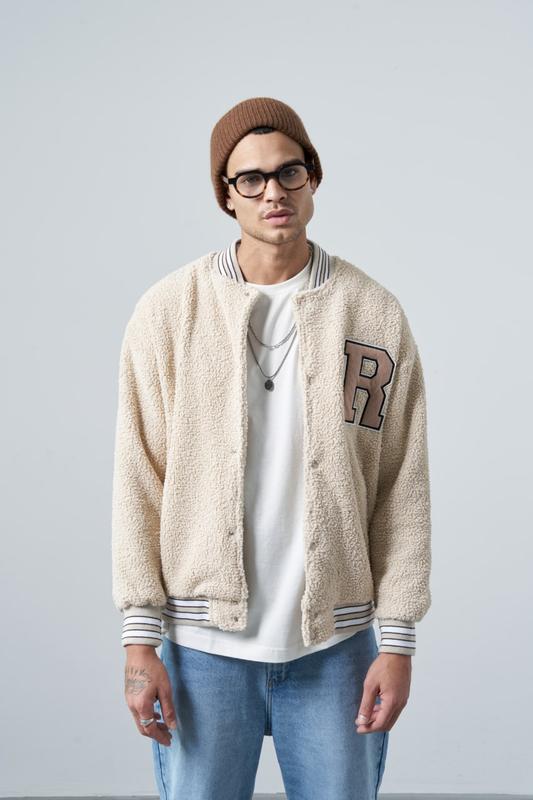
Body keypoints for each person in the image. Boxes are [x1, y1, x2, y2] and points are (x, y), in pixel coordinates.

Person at [111, 96, 432, 799]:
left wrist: (398, 641)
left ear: (312, 177)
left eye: (289, 172)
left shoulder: (373, 315)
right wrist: (139, 643)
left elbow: (400, 489)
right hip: (202, 649)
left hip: (336, 650)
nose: (272, 193)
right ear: (226, 195)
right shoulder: (167, 313)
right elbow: (139, 484)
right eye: (249, 178)